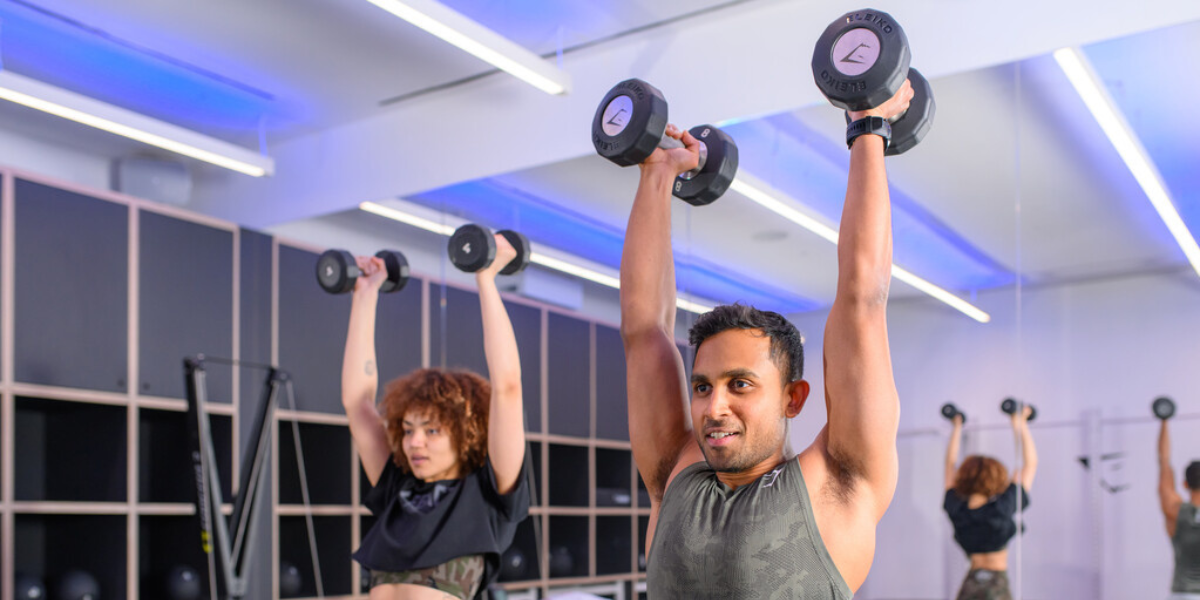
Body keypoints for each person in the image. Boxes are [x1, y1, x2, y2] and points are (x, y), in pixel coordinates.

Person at [619, 81, 915, 598]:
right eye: (704, 386)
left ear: (792, 397)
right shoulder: (675, 474)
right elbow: (645, 332)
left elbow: (861, 300)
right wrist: (657, 173)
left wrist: (868, 128)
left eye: (740, 384)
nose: (715, 407)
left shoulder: (837, 486)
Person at [343, 235, 529, 600]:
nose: (414, 442)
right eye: (409, 429)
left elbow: (507, 387)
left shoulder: (488, 492)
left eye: (431, 430)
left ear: (467, 433)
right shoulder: (399, 485)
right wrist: (365, 295)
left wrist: (486, 279)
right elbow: (357, 402)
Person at [942, 406, 1036, 600]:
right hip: (997, 583)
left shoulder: (957, 508)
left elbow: (949, 465)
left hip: (971, 581)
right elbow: (1030, 464)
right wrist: (1019, 423)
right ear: (997, 479)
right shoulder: (1002, 507)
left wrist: (956, 426)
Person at [1158, 414, 1200, 599]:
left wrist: (1164, 421)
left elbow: (1164, 462)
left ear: (1185, 484)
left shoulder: (1175, 511)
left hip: (1183, 595)